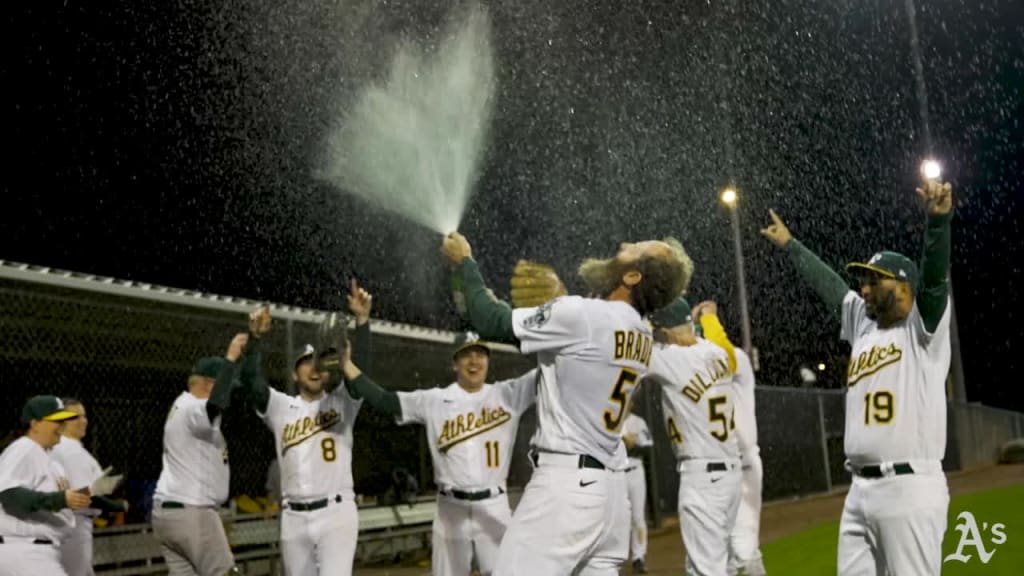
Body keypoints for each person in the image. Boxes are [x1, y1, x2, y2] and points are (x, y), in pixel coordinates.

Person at [441, 232, 692, 575]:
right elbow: (588, 332)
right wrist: (556, 306)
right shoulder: (642, 334)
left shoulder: (584, 316)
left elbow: (489, 320)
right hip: (611, 497)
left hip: (567, 488)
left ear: (632, 277)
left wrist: (464, 262)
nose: (623, 245)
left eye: (635, 249)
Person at [760, 177, 954, 575]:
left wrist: (938, 223)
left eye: (873, 280)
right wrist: (791, 246)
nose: (863, 288)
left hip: (909, 488)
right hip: (859, 491)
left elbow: (934, 279)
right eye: (863, 280)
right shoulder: (864, 326)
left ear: (902, 287)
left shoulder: (922, 328)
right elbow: (831, 287)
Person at [343, 331, 537, 576]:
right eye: (466, 355)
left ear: (488, 360)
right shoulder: (434, 400)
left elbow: (552, 370)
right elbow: (384, 400)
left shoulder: (508, 394)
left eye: (480, 354)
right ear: (454, 363)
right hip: (450, 508)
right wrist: (347, 365)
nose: (474, 361)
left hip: (494, 505)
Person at [239, 280, 372, 576]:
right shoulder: (280, 407)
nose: (313, 368)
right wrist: (255, 340)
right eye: (305, 363)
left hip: (336, 514)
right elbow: (252, 383)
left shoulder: (343, 403)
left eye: (318, 363)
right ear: (294, 373)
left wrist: (362, 322)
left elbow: (362, 371)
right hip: (293, 518)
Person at [646, 297, 741, 576]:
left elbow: (626, 346)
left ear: (664, 331)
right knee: (723, 566)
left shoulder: (669, 358)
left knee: (706, 570)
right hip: (731, 475)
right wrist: (708, 318)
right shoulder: (718, 353)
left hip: (703, 479)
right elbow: (727, 352)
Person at [151, 333, 249, 576]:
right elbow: (214, 406)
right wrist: (230, 360)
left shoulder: (180, 406)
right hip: (193, 512)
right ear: (208, 385)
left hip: (167, 514)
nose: (229, 394)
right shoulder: (194, 407)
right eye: (223, 386)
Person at [0, 396, 90, 576]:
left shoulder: (46, 457)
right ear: (35, 424)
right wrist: (58, 499)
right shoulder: (24, 449)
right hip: (24, 551)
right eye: (56, 421)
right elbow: (9, 496)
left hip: (35, 550)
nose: (62, 426)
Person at [50, 399, 128, 576]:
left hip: (63, 523)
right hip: (73, 524)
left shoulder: (65, 447)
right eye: (75, 417)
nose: (83, 421)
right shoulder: (70, 449)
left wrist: (101, 489)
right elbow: (84, 496)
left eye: (84, 416)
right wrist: (117, 505)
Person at [727, 349, 766, 576]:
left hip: (743, 462)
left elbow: (725, 355)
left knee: (744, 550)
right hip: (715, 466)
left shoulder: (737, 358)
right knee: (722, 556)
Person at [620, 409, 653, 574]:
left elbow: (647, 448)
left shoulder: (638, 421)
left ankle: (638, 557)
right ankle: (616, 559)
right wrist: (626, 443)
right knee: (616, 518)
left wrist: (628, 446)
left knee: (638, 517)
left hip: (635, 472)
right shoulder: (610, 419)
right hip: (616, 474)